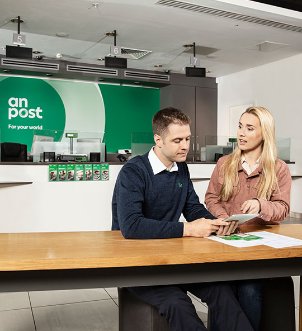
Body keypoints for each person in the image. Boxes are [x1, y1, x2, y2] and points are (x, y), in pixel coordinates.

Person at [112, 107, 253, 331]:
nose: (185, 145)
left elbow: (193, 208)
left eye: (187, 138)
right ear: (158, 140)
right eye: (177, 140)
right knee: (179, 305)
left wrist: (217, 223)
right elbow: (131, 226)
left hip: (173, 261)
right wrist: (189, 229)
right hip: (139, 265)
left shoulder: (181, 168)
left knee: (221, 291)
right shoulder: (133, 172)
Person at [205, 106, 291, 331]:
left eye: (249, 128)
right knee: (222, 290)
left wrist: (260, 204)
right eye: (240, 126)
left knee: (250, 288)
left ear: (264, 133)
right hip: (225, 244)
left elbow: (282, 208)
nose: (241, 133)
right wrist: (224, 218)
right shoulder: (224, 164)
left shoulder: (279, 169)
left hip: (257, 250)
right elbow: (211, 198)